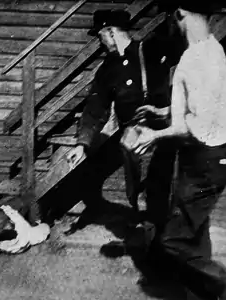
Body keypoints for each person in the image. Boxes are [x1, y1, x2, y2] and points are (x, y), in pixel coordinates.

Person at [128, 1, 226, 299]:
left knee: (174, 241)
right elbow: (202, 106)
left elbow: (195, 125)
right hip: (208, 160)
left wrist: (155, 134)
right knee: (195, 234)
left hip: (203, 162)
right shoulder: (212, 49)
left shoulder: (193, 59)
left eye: (170, 18)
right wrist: (164, 110)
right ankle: (201, 292)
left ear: (179, 14)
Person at [67, 9, 184, 230]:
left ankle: (162, 237)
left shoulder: (150, 49)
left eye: (100, 35)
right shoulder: (107, 70)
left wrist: (169, 108)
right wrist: (82, 144)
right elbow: (95, 107)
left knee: (162, 191)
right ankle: (149, 231)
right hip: (131, 139)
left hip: (162, 134)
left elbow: (184, 56)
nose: (100, 42)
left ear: (110, 32)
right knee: (137, 193)